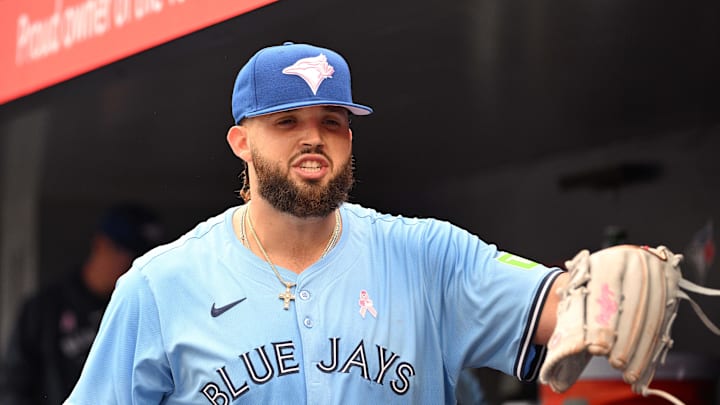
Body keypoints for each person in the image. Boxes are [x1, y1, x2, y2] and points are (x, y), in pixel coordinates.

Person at [65, 42, 569, 404]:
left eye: (332, 120)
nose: (314, 138)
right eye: (286, 121)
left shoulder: (428, 255)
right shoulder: (159, 284)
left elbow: (566, 306)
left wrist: (617, 284)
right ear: (242, 143)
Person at [0, 203, 164, 404]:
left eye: (145, 258)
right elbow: (12, 388)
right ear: (100, 244)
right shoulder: (46, 308)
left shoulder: (146, 309)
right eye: (128, 254)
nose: (136, 266)